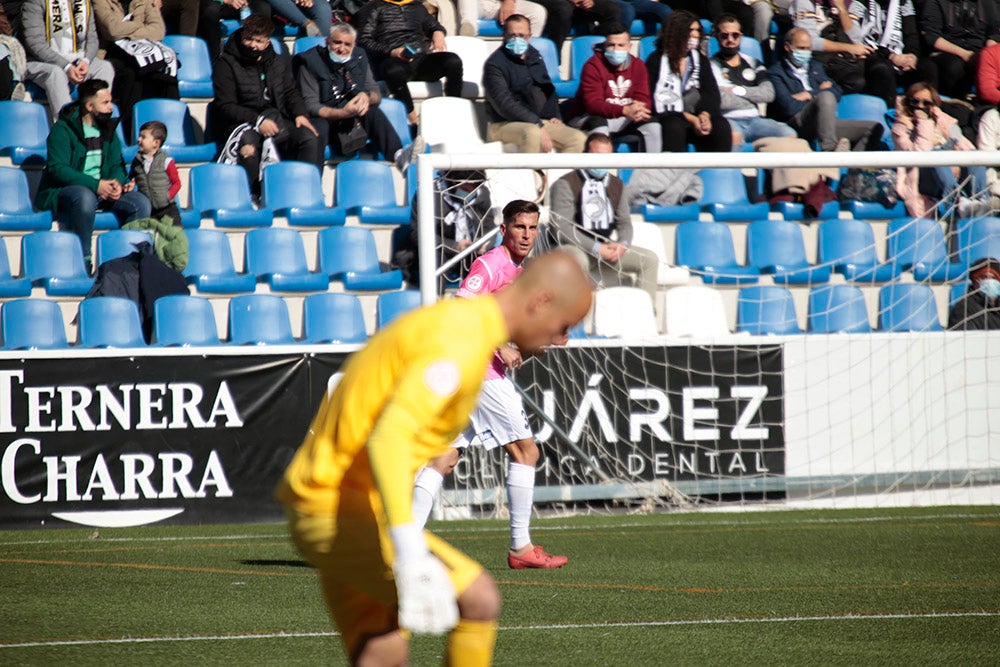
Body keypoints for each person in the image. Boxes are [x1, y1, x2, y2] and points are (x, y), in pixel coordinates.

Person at [275, 250, 593, 667]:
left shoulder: (463, 328)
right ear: (541, 302)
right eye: (563, 325)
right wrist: (409, 550)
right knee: (478, 599)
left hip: (335, 503)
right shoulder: (459, 342)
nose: (561, 338)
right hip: (336, 508)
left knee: (384, 651)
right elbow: (388, 438)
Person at [410, 200, 569, 570]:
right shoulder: (492, 263)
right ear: (504, 229)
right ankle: (520, 547)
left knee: (444, 457)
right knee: (526, 452)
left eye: (532, 227)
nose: (527, 234)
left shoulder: (518, 271)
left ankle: (402, 543)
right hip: (477, 371)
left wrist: (537, 340)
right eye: (519, 227)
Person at [34, 78, 151, 273]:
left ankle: (126, 262)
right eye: (105, 103)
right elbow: (57, 168)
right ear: (89, 106)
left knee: (141, 203)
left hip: (101, 191)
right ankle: (84, 260)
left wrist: (117, 184)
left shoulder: (108, 129)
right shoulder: (63, 129)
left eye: (110, 101)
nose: (110, 107)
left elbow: (117, 165)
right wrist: (96, 185)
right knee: (85, 197)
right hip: (66, 191)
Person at [212, 14, 319, 193]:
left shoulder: (277, 61)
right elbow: (225, 105)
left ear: (268, 41)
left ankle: (304, 191)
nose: (253, 45)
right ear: (242, 34)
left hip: (275, 117)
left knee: (308, 138)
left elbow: (289, 92)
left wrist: (301, 114)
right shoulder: (225, 63)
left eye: (259, 41)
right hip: (240, 123)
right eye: (248, 39)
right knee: (249, 146)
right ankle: (255, 195)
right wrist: (258, 121)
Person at [548, 132, 659, 303]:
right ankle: (574, 319)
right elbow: (562, 229)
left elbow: (625, 224)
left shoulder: (617, 185)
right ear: (585, 156)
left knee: (649, 260)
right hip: (572, 248)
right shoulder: (565, 184)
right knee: (577, 261)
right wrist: (595, 248)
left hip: (605, 249)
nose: (602, 162)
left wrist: (622, 244)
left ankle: (646, 314)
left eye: (606, 157)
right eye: (597, 156)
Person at [295, 23, 424, 168]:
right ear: (327, 42)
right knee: (319, 126)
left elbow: (376, 94)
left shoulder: (359, 57)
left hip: (351, 119)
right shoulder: (309, 62)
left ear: (353, 45)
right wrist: (342, 113)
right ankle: (313, 182)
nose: (342, 49)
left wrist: (366, 97)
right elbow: (311, 105)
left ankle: (399, 155)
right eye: (337, 42)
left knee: (372, 111)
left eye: (347, 44)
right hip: (325, 120)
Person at [483, 14, 586, 153]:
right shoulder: (495, 64)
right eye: (512, 35)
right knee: (532, 133)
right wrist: (536, 123)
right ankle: (533, 175)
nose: (517, 39)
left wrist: (555, 116)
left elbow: (547, 89)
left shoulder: (535, 56)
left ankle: (563, 175)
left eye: (521, 35)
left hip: (538, 121)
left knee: (578, 139)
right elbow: (504, 104)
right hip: (504, 124)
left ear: (529, 37)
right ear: (504, 35)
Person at [768, 26, 883, 151]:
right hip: (797, 123)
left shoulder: (815, 67)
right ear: (787, 47)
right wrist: (820, 95)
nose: (805, 52)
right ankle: (829, 149)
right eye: (801, 48)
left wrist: (809, 94)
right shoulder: (776, 73)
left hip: (824, 122)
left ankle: (854, 169)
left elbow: (837, 91)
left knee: (874, 128)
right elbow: (788, 108)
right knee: (825, 96)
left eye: (808, 48)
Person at [356, 0, 464, 125]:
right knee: (393, 70)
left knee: (453, 61)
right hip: (392, 60)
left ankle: (453, 108)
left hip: (419, 60)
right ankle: (413, 119)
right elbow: (364, 41)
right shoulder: (373, 7)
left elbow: (433, 25)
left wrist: (438, 33)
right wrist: (391, 51)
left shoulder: (416, 6)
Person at [892, 81, 988, 218]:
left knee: (973, 155)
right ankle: (957, 202)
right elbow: (922, 152)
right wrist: (923, 121)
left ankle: (981, 199)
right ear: (908, 103)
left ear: (933, 106)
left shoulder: (944, 121)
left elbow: (964, 145)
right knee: (936, 155)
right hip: (920, 176)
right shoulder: (901, 127)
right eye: (915, 101)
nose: (920, 106)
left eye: (926, 103)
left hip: (950, 172)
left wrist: (954, 160)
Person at [92, 0, 180, 144]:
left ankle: (169, 131)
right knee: (132, 71)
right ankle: (130, 132)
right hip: (111, 53)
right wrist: (141, 26)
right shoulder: (101, 1)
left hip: (140, 52)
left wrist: (126, 30)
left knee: (167, 70)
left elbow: (158, 30)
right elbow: (113, 31)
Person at [567, 21, 662, 152]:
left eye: (621, 45)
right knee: (599, 123)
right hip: (588, 117)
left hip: (624, 118)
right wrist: (624, 110)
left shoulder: (638, 65)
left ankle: (652, 171)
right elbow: (593, 105)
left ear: (629, 46)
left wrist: (639, 109)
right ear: (605, 45)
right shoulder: (592, 65)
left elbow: (643, 99)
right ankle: (598, 170)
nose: (616, 49)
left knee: (652, 124)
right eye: (611, 45)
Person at [393, 169, 496, 288]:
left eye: (473, 189)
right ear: (453, 183)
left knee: (493, 259)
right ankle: (434, 302)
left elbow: (489, 226)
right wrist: (454, 246)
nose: (470, 193)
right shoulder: (428, 193)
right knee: (434, 259)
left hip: (470, 251)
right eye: (465, 189)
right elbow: (417, 234)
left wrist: (483, 244)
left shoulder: (482, 193)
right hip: (438, 251)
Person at [646, 11, 732, 152]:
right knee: (674, 124)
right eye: (690, 30)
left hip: (697, 118)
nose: (696, 35)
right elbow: (655, 99)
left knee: (721, 125)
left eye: (698, 30)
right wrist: (691, 119)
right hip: (669, 117)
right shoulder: (656, 60)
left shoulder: (700, 60)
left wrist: (705, 115)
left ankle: (719, 172)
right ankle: (673, 173)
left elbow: (711, 93)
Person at [20, 0, 117, 122]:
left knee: (104, 67)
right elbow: (35, 44)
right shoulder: (34, 2)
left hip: (76, 59)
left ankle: (97, 121)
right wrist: (66, 66)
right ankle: (69, 127)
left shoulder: (84, 3)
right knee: (56, 73)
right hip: (40, 62)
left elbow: (92, 39)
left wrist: (85, 61)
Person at [709, 14, 797, 146]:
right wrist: (753, 96)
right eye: (724, 35)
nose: (730, 39)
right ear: (717, 37)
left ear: (741, 36)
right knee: (734, 136)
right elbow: (720, 100)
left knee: (789, 135)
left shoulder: (753, 62)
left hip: (755, 120)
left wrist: (737, 90)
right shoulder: (711, 65)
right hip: (728, 119)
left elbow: (768, 94)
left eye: (735, 35)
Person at [844, 0, 935, 108]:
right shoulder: (859, 3)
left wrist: (912, 56)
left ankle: (926, 112)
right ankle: (889, 114)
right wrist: (890, 56)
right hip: (870, 54)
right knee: (882, 68)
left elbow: (911, 34)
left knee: (927, 67)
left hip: (899, 53)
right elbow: (855, 39)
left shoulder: (904, 3)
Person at [919, 0, 1000, 100]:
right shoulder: (936, 2)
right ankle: (955, 103)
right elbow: (931, 37)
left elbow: (994, 34)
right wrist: (964, 54)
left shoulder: (987, 2)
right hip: (949, 49)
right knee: (955, 67)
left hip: (980, 49)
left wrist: (988, 55)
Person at [129, 120, 182, 227]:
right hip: (148, 211)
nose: (139, 140)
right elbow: (132, 178)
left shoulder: (166, 161)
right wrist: (130, 184)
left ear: (156, 143)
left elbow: (177, 183)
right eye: (139, 136)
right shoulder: (137, 161)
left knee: (173, 236)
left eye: (143, 137)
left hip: (168, 210)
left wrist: (167, 196)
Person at [949, 257, 1000, 330]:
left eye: (994, 278)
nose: (990, 281)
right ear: (974, 281)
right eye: (984, 277)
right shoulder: (964, 307)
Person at [455, 0, 547, 38]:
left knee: (537, 12)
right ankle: (468, 37)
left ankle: (529, 54)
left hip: (498, 4)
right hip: (475, 4)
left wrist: (509, 1)